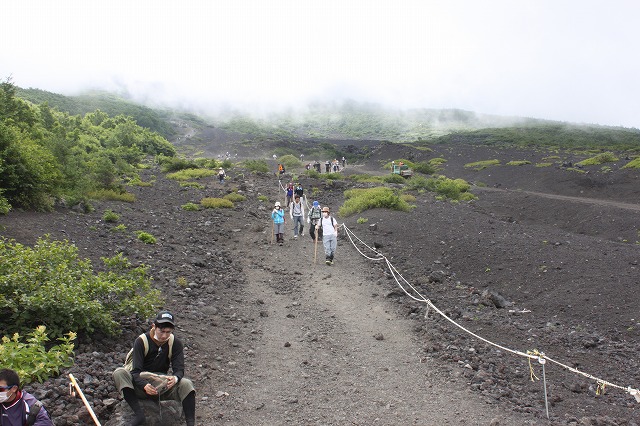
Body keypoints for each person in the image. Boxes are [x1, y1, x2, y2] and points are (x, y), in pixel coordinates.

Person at [113, 311, 196, 426]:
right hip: (139, 385)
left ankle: (191, 423)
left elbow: (179, 369)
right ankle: (139, 415)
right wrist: (144, 385)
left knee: (186, 384)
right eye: (161, 331)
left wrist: (175, 378)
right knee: (119, 372)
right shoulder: (141, 341)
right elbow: (135, 371)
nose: (164, 336)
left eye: (168, 332)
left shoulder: (175, 343)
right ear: (154, 326)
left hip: (160, 386)